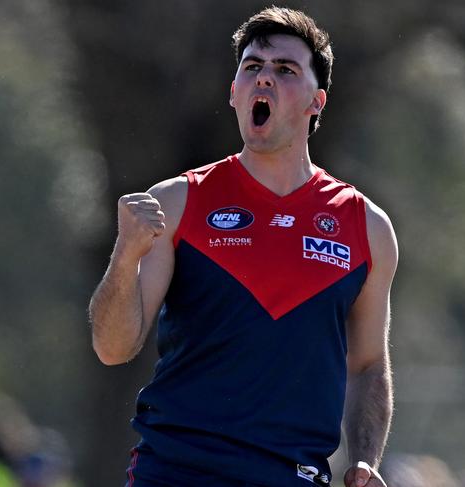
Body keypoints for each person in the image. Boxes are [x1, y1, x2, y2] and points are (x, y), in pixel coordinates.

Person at [89, 7, 398, 487]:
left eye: (285, 70)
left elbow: (368, 365)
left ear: (316, 102)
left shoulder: (366, 228)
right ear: (234, 94)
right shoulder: (177, 202)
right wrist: (125, 255)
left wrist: (364, 459)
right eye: (252, 67)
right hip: (174, 472)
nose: (265, 79)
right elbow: (112, 349)